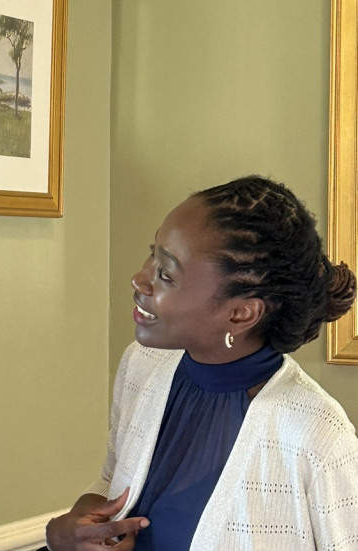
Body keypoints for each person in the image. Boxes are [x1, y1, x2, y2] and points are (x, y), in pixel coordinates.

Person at [44, 176, 358, 550]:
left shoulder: (317, 437)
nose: (139, 278)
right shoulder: (142, 366)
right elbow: (111, 483)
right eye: (152, 253)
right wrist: (69, 530)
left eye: (165, 274)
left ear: (241, 313)